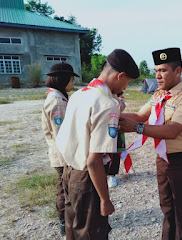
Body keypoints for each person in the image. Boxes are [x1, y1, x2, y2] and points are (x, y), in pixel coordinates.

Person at [56, 49, 139, 240]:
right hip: (87, 178)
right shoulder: (106, 104)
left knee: (73, 227)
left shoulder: (80, 94)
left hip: (70, 171)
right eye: (127, 82)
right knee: (91, 232)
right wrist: (105, 199)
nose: (125, 87)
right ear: (120, 76)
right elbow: (94, 161)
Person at [120, 47, 182, 240]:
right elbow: (140, 115)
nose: (158, 75)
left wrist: (137, 128)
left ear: (177, 71)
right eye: (156, 71)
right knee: (167, 206)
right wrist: (113, 116)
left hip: (181, 160)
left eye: (163, 70)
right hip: (162, 159)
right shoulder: (158, 95)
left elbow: (173, 131)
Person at [41, 62, 79, 235]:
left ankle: (66, 218)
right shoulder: (57, 102)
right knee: (64, 189)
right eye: (71, 80)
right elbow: (62, 134)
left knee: (64, 187)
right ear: (63, 80)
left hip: (61, 154)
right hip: (63, 155)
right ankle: (64, 220)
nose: (73, 84)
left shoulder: (58, 97)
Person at [107, 91, 126, 188]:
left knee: (115, 151)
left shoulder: (118, 97)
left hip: (114, 126)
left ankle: (112, 174)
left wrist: (114, 96)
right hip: (101, 127)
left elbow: (121, 108)